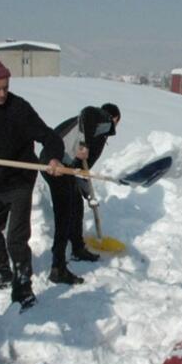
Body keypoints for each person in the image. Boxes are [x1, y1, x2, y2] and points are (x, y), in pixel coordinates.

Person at [0, 53, 66, 300]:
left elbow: (49, 137)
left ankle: (23, 287)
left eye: (6, 88)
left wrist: (53, 158)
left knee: (16, 237)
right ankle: (0, 273)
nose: (2, 94)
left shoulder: (19, 109)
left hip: (22, 176)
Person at [41, 104, 120, 275]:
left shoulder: (98, 131)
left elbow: (81, 169)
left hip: (67, 167)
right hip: (54, 165)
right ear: (113, 119)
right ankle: (58, 266)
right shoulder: (98, 121)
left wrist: (86, 192)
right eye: (115, 123)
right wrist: (84, 144)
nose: (114, 128)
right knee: (65, 212)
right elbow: (88, 112)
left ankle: (77, 248)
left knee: (75, 205)